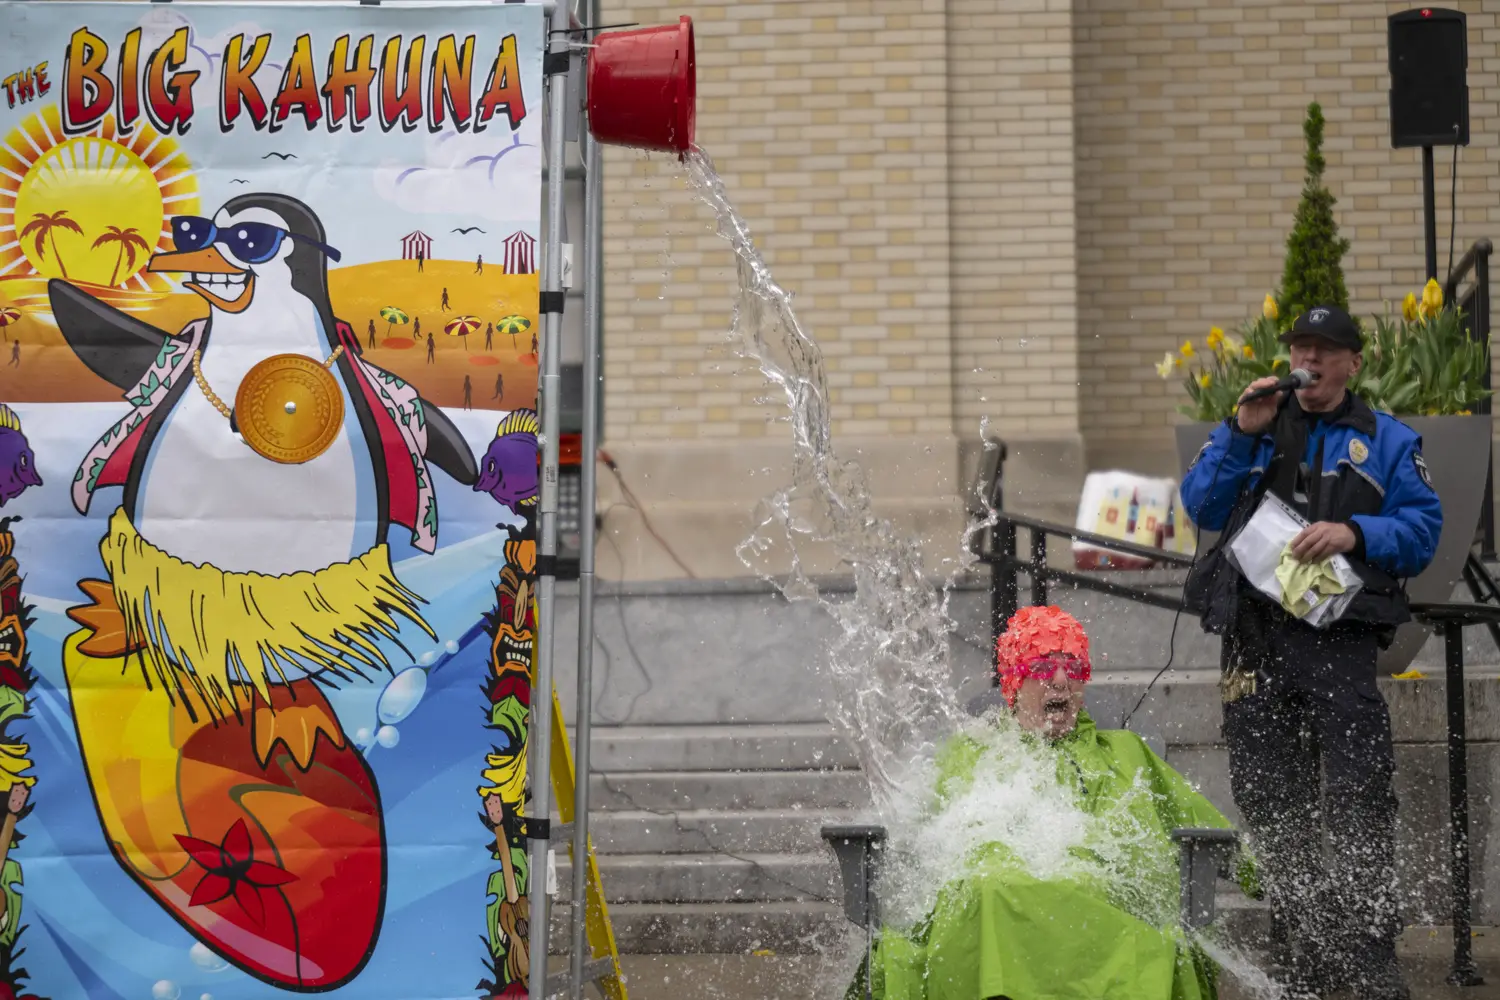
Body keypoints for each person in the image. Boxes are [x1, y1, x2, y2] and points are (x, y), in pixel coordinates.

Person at [1179, 304, 1442, 1000]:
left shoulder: (1386, 440)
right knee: (1271, 800)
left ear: (1355, 363)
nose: (1311, 360)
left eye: (1326, 350)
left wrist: (1354, 532)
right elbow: (1201, 507)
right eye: (1302, 346)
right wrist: (1241, 433)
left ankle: (1369, 949)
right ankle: (1304, 938)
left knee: (1359, 793)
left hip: (1338, 640)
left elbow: (1423, 530)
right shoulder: (1257, 424)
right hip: (1256, 640)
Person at [856, 605, 1251, 1000]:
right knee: (987, 886)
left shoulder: (1126, 752)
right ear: (1014, 681)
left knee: (1051, 883)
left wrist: (1267, 875)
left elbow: (1201, 821)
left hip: (1099, 894)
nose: (1061, 681)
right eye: (1044, 668)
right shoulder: (972, 752)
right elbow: (922, 839)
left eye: (1074, 668)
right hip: (988, 895)